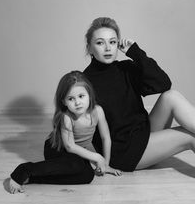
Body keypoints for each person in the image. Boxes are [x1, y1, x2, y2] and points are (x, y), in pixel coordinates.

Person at [83, 17, 195, 172]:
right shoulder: (84, 84)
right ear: (89, 48)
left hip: (143, 134)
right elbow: (76, 127)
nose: (108, 48)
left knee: (171, 96)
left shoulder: (125, 68)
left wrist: (135, 52)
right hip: (124, 152)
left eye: (113, 42)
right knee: (190, 137)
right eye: (100, 43)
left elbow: (163, 84)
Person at [9, 71, 121, 194]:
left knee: (87, 176)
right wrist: (97, 157)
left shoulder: (97, 111)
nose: (77, 102)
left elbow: (106, 138)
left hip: (78, 151)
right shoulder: (66, 117)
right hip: (57, 148)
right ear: (63, 101)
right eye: (71, 99)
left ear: (89, 94)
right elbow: (70, 146)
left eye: (81, 96)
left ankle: (33, 178)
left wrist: (106, 164)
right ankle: (24, 170)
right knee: (76, 164)